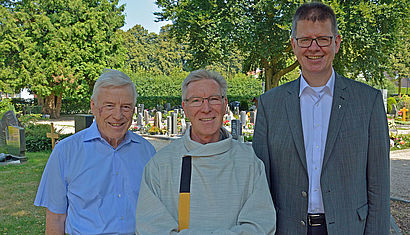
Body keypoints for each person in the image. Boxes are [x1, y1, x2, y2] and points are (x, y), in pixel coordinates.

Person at [252, 3, 390, 235]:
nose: (313, 48)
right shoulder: (270, 104)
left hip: (350, 228)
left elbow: (378, 185)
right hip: (286, 229)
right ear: (294, 45)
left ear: (336, 43)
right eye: (305, 40)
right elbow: (260, 182)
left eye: (322, 39)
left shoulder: (368, 102)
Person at [135, 69, 276, 234]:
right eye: (196, 101)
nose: (206, 108)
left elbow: (261, 225)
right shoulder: (160, 165)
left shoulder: (249, 163)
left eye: (214, 99)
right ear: (185, 108)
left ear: (225, 105)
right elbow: (150, 227)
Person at [34, 69, 156, 234]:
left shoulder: (147, 152)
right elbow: (56, 218)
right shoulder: (65, 152)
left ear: (134, 109)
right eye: (109, 106)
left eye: (125, 107)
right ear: (93, 106)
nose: (118, 115)